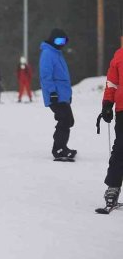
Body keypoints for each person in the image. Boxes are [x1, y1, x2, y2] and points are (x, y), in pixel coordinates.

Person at [39, 28, 77, 161]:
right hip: (55, 95)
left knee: (68, 120)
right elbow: (46, 76)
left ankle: (61, 146)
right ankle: (59, 148)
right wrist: (52, 92)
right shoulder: (48, 54)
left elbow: (63, 77)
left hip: (62, 95)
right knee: (64, 119)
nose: (60, 43)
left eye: (63, 41)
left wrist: (67, 95)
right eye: (58, 40)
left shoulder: (57, 53)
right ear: (52, 39)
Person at [99, 46, 123, 207]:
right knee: (121, 148)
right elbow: (112, 83)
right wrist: (107, 104)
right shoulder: (120, 55)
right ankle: (113, 187)